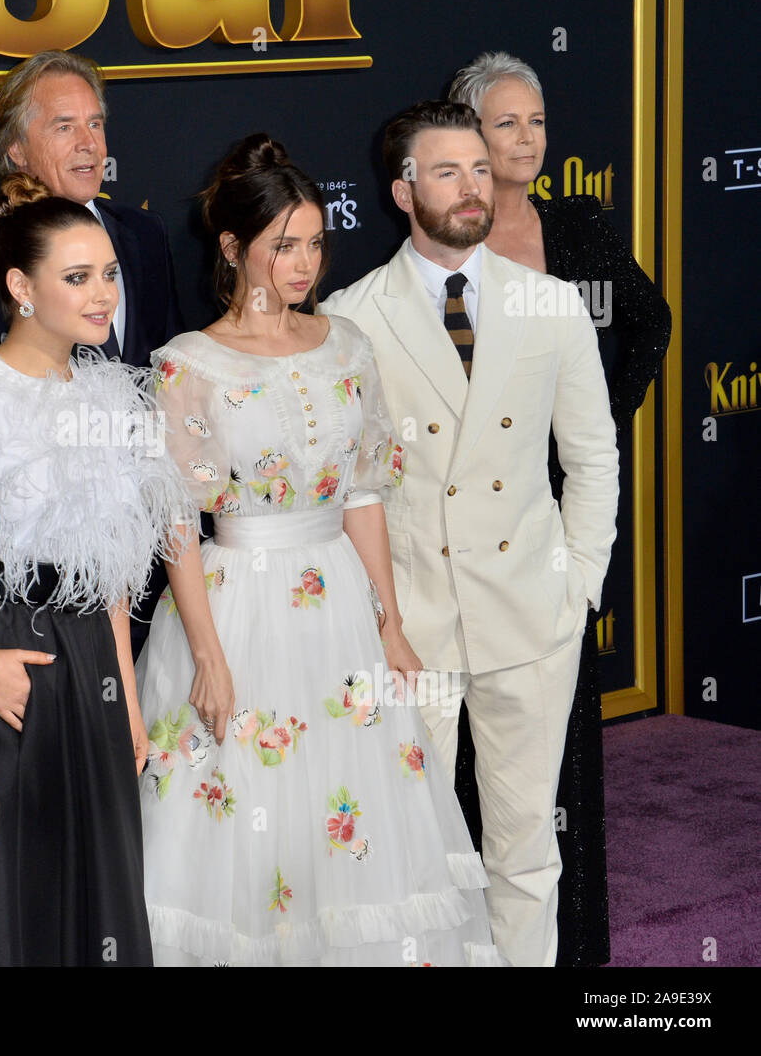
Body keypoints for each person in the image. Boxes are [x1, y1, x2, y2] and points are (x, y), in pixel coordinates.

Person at [137, 134, 502, 967]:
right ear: (233, 249)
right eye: (282, 247)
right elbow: (177, 526)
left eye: (313, 243)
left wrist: (392, 624)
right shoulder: (185, 365)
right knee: (242, 806)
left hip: (335, 602)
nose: (303, 265)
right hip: (236, 603)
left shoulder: (345, 346)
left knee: (357, 808)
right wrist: (207, 654)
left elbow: (365, 492)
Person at [320, 101, 620, 966]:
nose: (471, 187)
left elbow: (593, 459)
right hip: (410, 627)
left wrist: (580, 586)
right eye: (446, 172)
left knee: (526, 852)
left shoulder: (553, 305)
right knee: (411, 854)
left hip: (530, 618)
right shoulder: (354, 318)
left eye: (480, 169)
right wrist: (377, 619)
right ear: (402, 191)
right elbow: (349, 487)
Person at [0, 173, 187, 966]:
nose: (102, 296)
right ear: (21, 287)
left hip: (92, 655)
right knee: (16, 881)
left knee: (106, 872)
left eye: (108, 275)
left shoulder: (118, 398)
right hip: (2, 650)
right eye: (77, 277)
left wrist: (128, 701)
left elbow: (115, 573)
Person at [448, 51, 672, 966]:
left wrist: (588, 421)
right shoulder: (446, 234)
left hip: (551, 512)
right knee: (466, 745)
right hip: (463, 536)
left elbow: (647, 324)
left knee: (557, 745)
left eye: (536, 123)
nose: (527, 140)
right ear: (468, 135)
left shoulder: (580, 228)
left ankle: (569, 950)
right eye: (506, 124)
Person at [0, 50, 184, 367]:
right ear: (16, 148)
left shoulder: (145, 233)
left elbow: (169, 365)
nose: (88, 143)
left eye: (94, 123)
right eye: (64, 127)